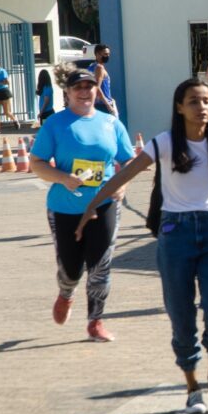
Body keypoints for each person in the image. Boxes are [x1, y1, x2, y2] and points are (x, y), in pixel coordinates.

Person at [75, 78, 208, 414]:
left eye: (206, 101)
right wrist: (92, 205)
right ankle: (192, 387)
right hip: (175, 232)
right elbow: (126, 173)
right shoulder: (164, 142)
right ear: (180, 107)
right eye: (193, 101)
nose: (202, 107)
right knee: (182, 314)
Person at [30, 70, 135, 343]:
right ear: (67, 92)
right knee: (71, 268)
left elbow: (129, 161)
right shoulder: (55, 124)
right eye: (78, 87)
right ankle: (66, 292)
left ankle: (95, 321)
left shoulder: (111, 123)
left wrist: (122, 185)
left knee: (100, 266)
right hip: (64, 207)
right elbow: (37, 163)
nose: (85, 92)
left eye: (90, 86)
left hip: (105, 204)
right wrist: (63, 178)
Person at [0, 57, 21, 137]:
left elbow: (7, 82)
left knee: (7, 112)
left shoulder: (2, 71)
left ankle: (15, 120)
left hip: (4, 91)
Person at [87, 44, 117, 116]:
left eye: (108, 54)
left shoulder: (91, 67)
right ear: (97, 54)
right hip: (102, 105)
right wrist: (108, 106)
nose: (107, 56)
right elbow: (97, 87)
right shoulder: (99, 68)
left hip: (96, 104)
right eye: (105, 54)